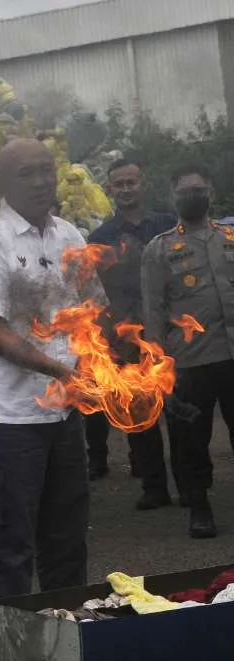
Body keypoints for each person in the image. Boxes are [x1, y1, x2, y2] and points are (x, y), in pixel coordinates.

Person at [0, 139, 105, 599]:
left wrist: (94, 362)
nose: (42, 181)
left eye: (47, 169)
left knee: (66, 535)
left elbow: (91, 308)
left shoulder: (70, 236)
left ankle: (70, 632)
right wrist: (62, 373)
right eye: (28, 173)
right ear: (2, 184)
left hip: (62, 413)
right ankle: (17, 648)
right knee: (13, 543)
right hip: (7, 416)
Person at [142, 165, 234, 538]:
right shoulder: (159, 248)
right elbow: (153, 311)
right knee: (191, 441)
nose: (192, 196)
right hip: (190, 363)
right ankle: (198, 506)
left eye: (199, 189)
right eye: (184, 191)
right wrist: (158, 366)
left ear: (210, 191)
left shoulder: (230, 236)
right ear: (173, 197)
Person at [85, 159, 177, 506]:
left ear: (144, 184)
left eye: (131, 182)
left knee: (180, 412)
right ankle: (154, 487)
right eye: (118, 184)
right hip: (127, 339)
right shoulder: (100, 239)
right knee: (140, 415)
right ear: (110, 189)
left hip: (171, 334)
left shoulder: (169, 226)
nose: (125, 189)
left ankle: (189, 482)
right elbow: (96, 296)